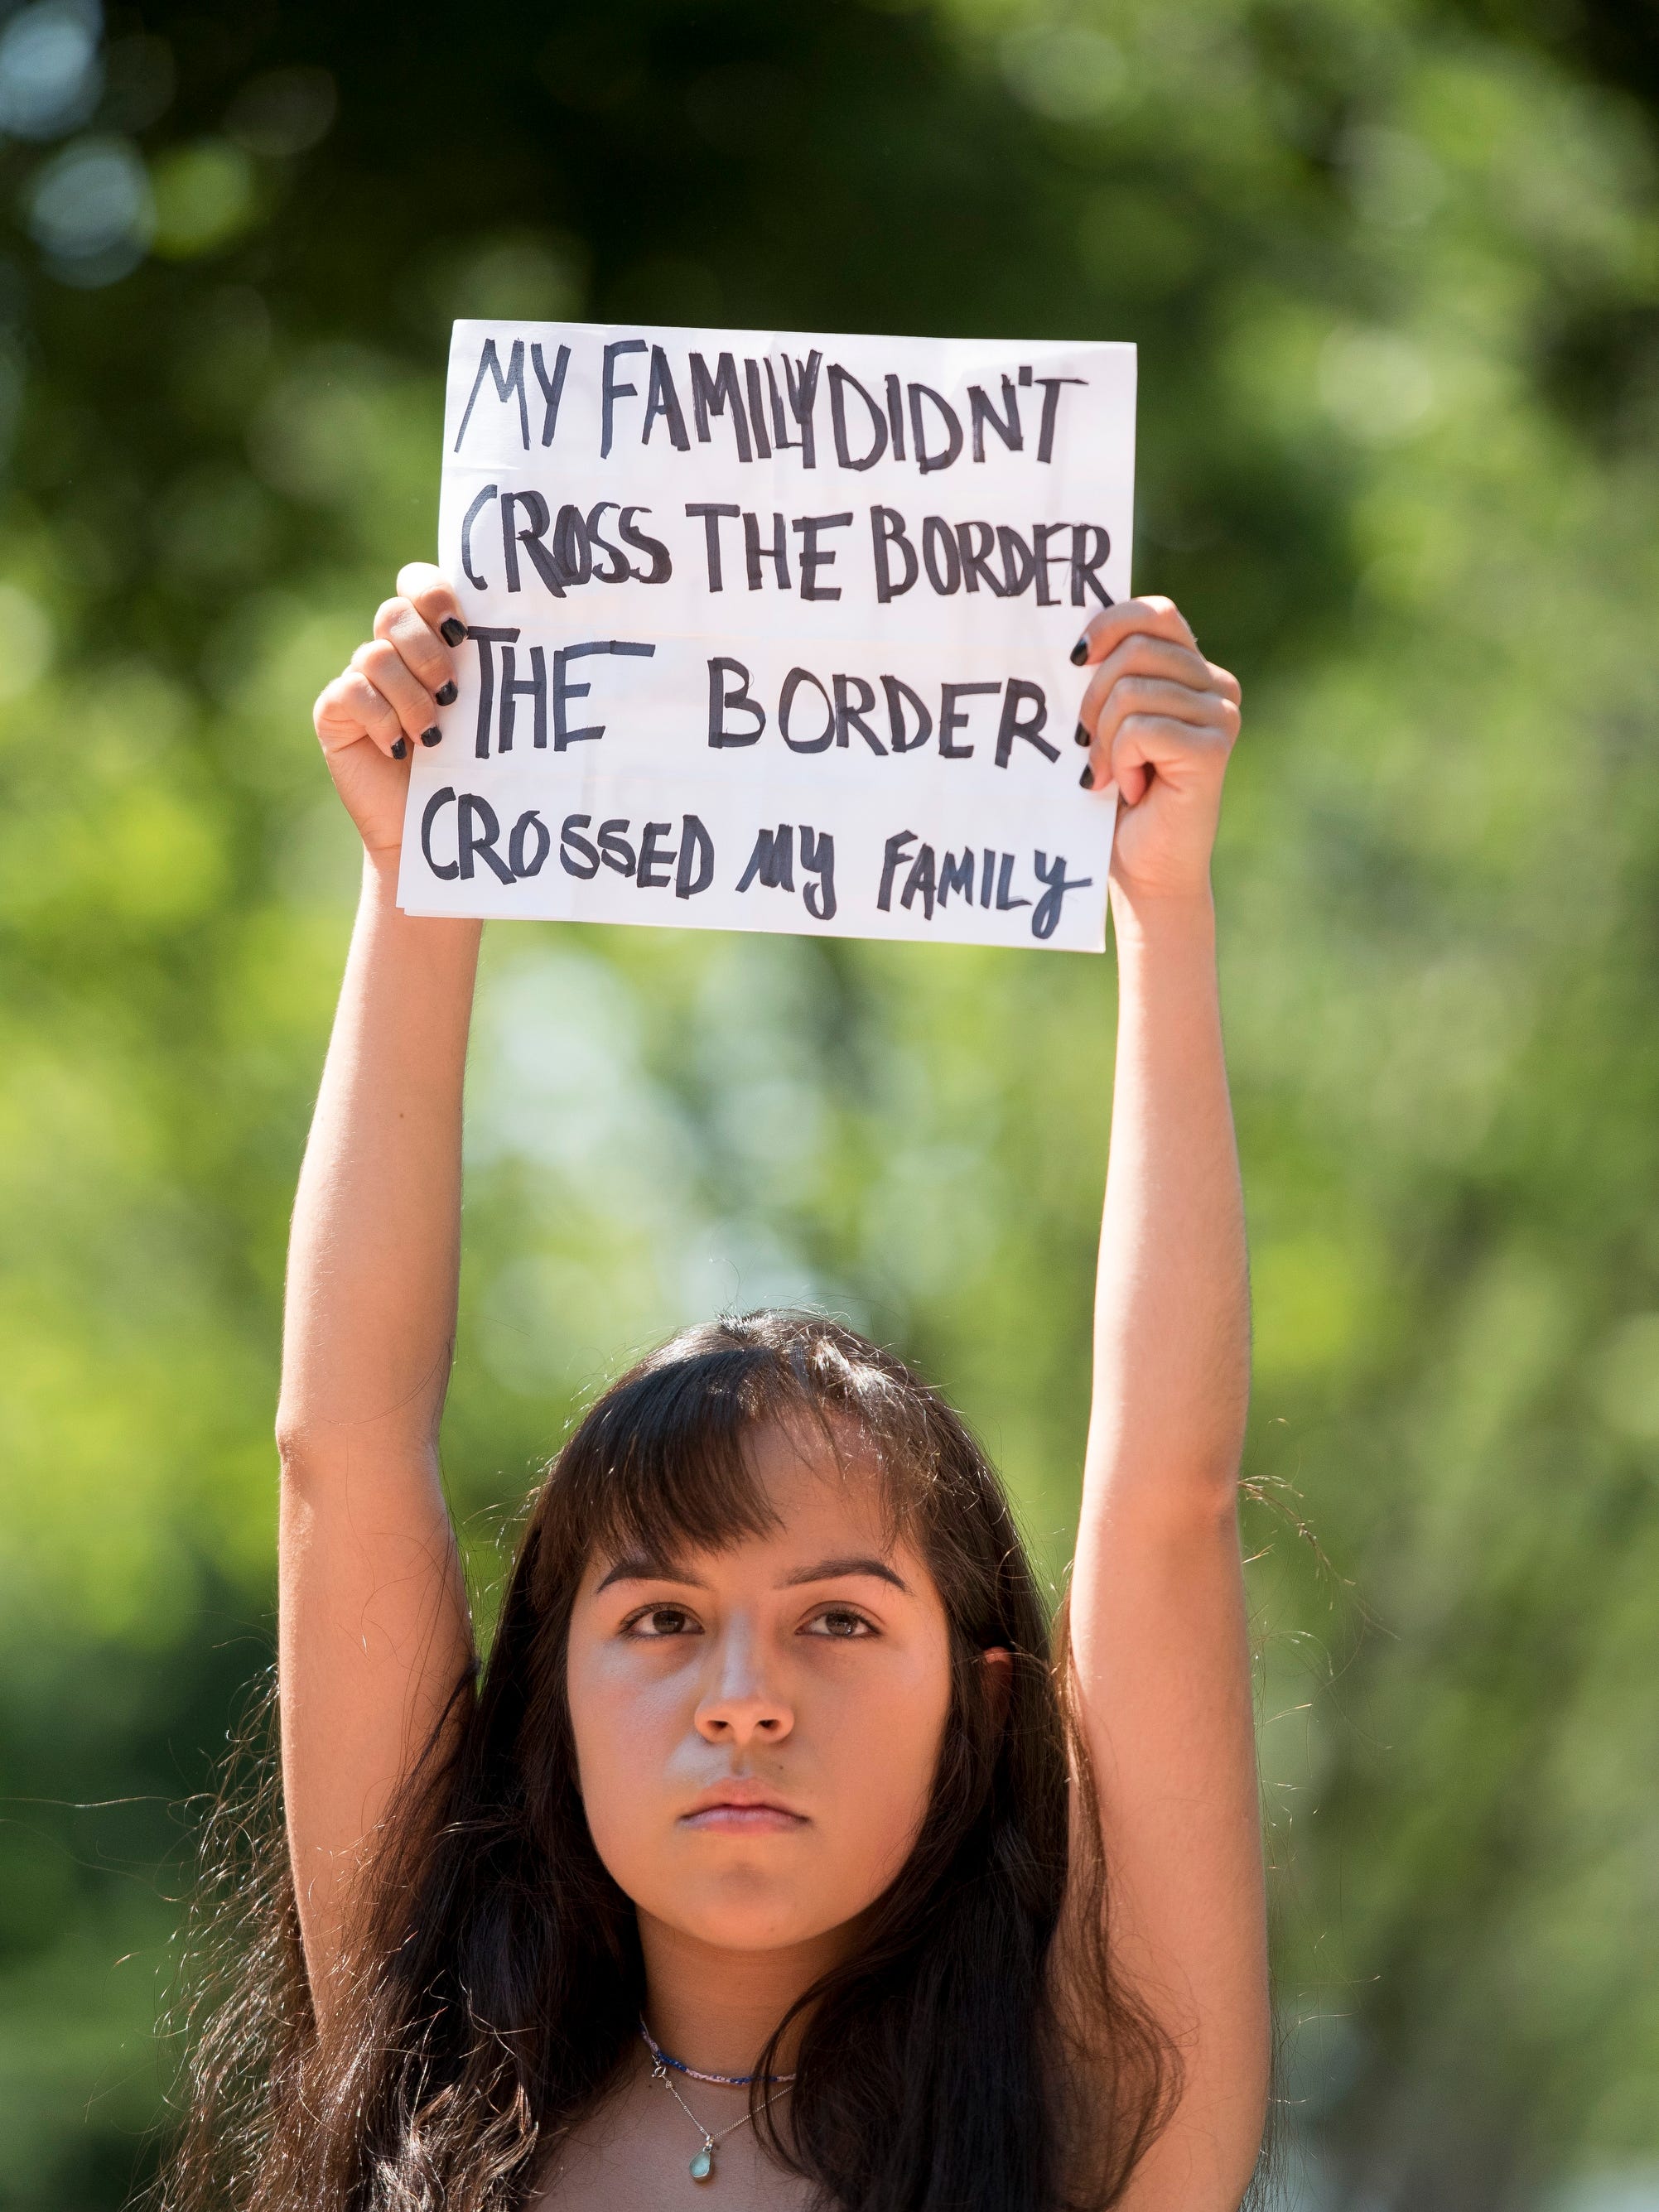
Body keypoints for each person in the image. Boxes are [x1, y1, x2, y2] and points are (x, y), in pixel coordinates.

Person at [165, 569, 1262, 2212]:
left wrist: (1164, 907)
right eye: (662, 1618)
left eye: (838, 1618)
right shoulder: (433, 2076)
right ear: (549, 1699)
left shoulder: (1085, 2121)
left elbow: (1167, 1507)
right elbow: (342, 1449)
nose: (743, 1695)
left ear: (983, 1705)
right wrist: (420, 865)